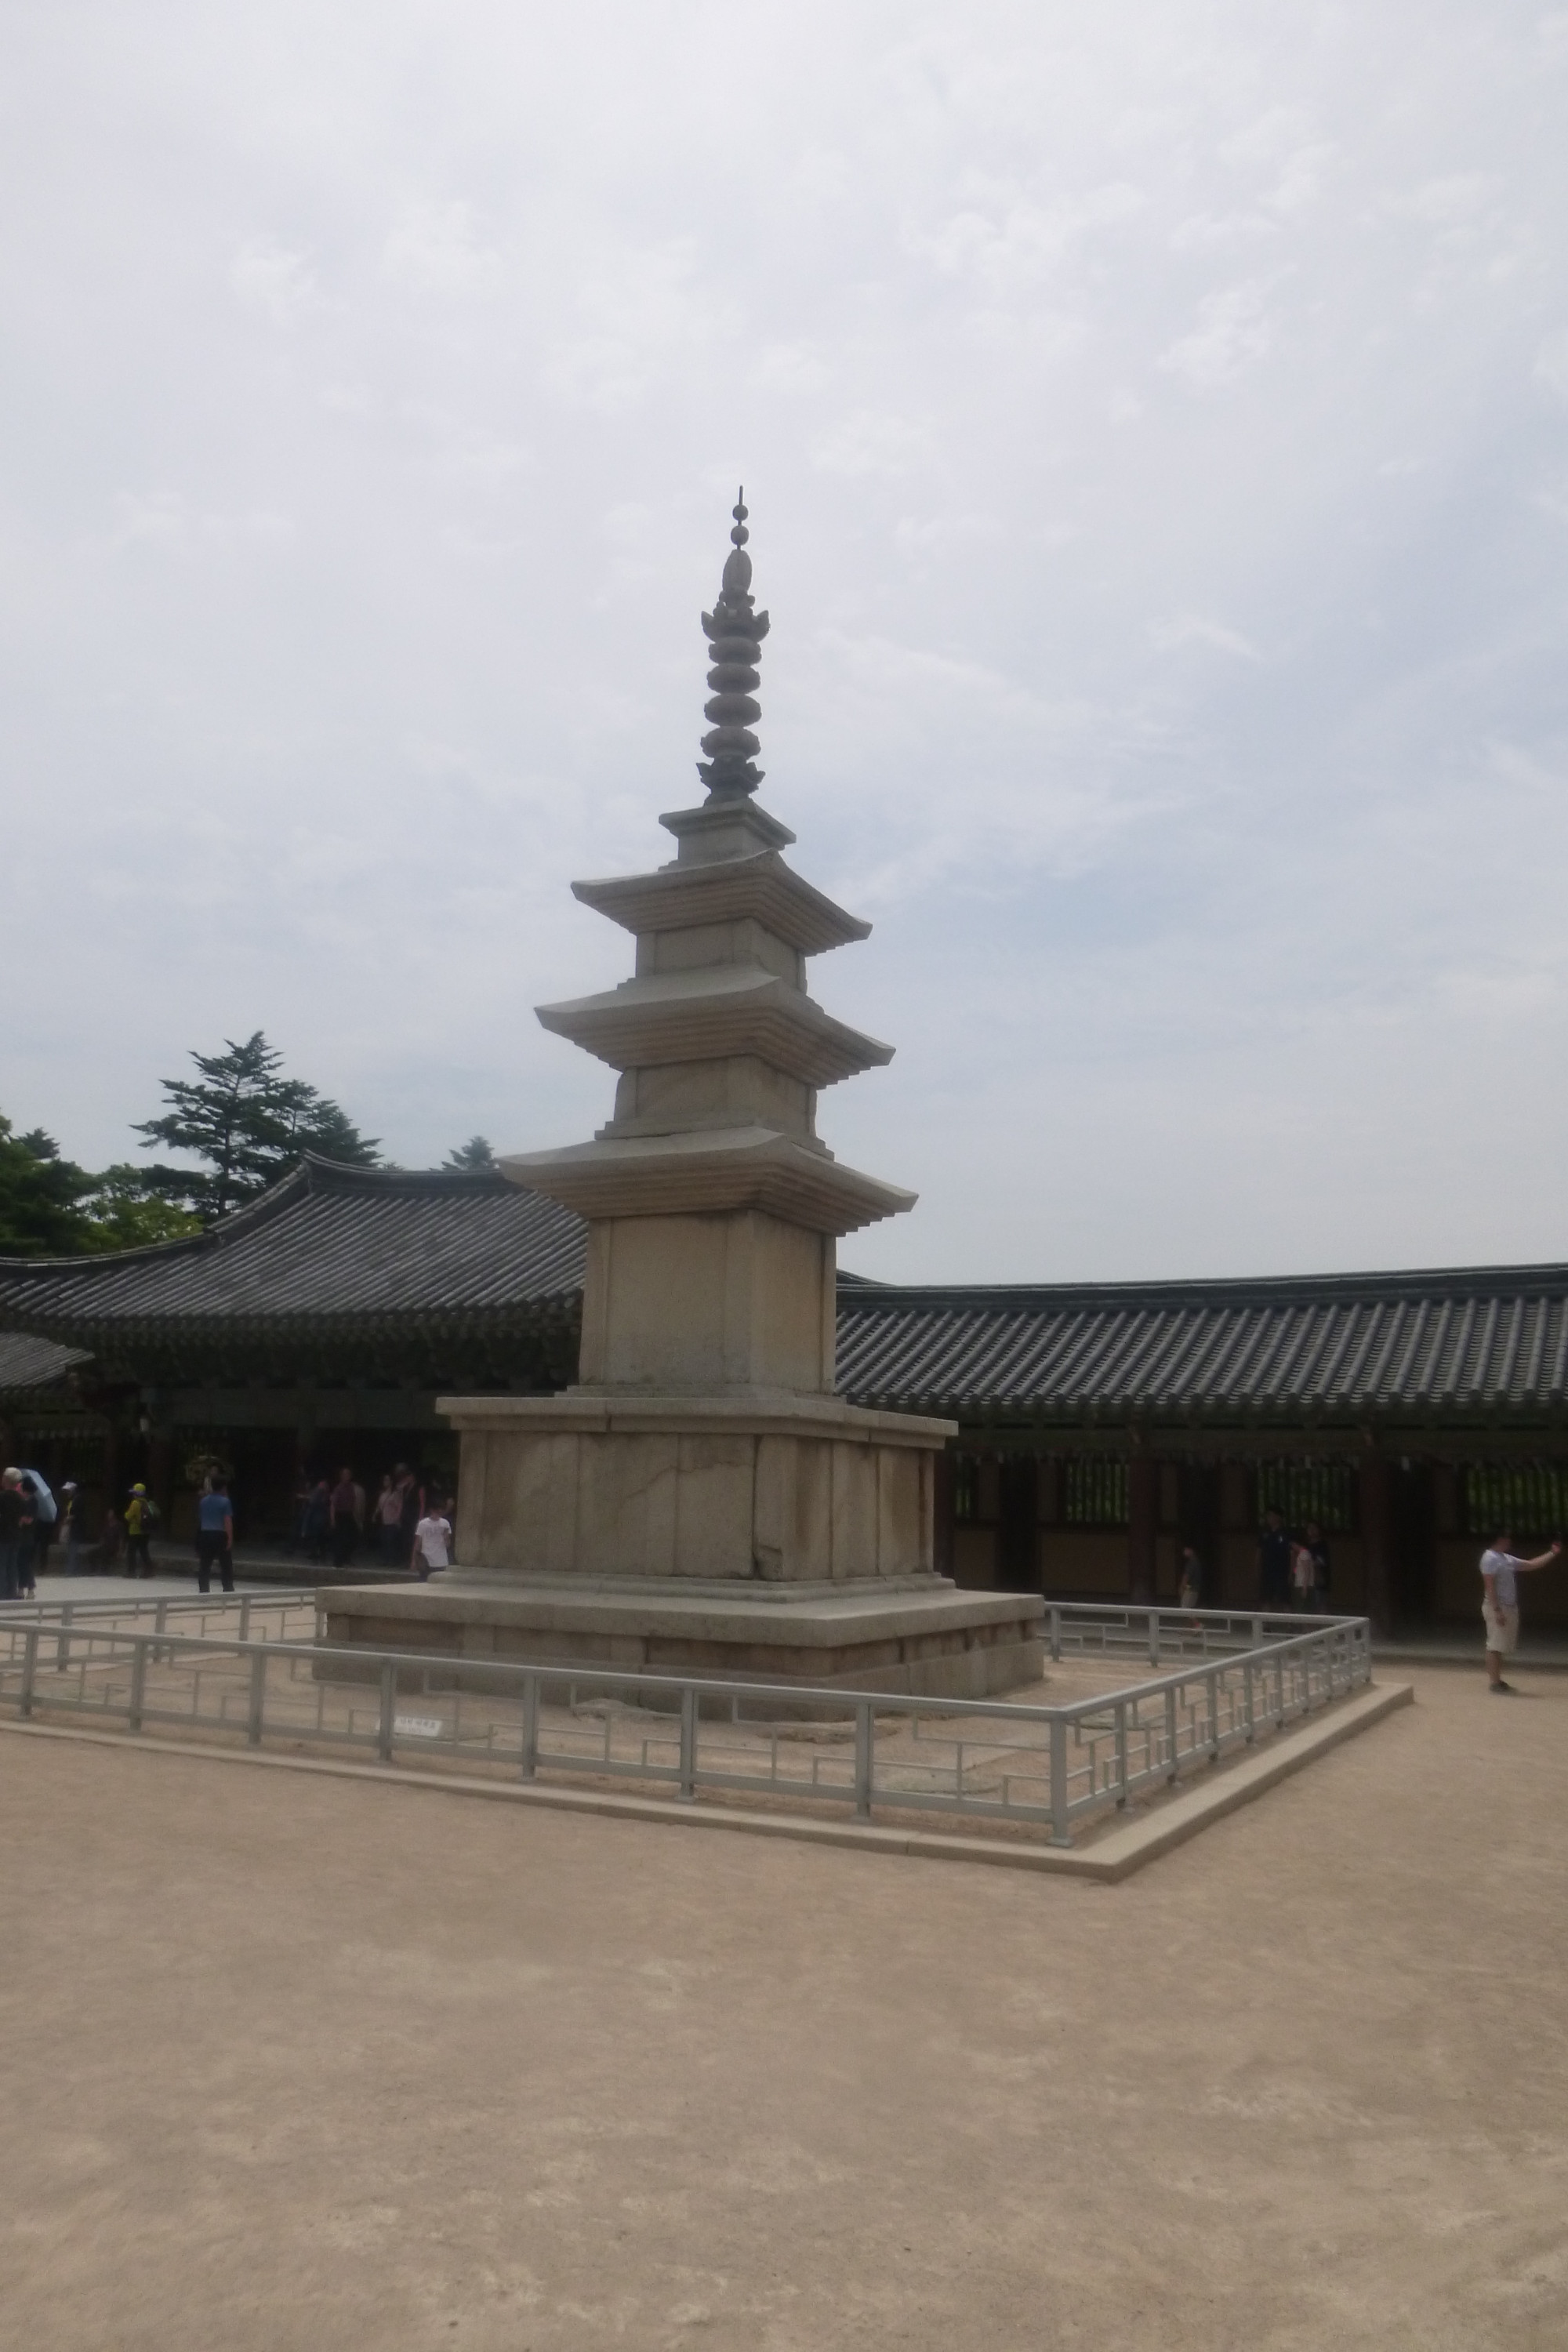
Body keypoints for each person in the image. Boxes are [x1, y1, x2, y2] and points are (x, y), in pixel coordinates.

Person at [1479, 1528, 1561, 1692]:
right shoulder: (1489, 1558)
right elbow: (1489, 1586)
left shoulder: (1505, 1558)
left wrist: (1552, 1553)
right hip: (1498, 1606)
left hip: (1508, 1606)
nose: (1510, 1541)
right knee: (1495, 1644)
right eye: (1507, 1538)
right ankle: (1494, 1682)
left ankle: (1497, 1680)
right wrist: (1496, 1610)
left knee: (1500, 1645)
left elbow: (1530, 1565)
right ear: (1500, 1539)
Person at [195, 1475, 235, 1594]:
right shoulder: (225, 1502)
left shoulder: (203, 1501)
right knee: (226, 1564)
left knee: (205, 1564)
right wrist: (230, 1538)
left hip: (205, 1533)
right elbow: (227, 1521)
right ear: (223, 1487)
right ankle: (228, 1589)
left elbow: (201, 1519)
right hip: (220, 1534)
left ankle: (203, 1589)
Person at [20, 1470, 57, 1579]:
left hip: (38, 1528)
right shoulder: (38, 1499)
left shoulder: (34, 1501)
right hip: (38, 1527)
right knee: (38, 1548)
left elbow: (30, 1519)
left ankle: (38, 1568)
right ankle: (38, 1567)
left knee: (40, 1548)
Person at [1257, 1507, 1291, 1610]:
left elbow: (1292, 1553)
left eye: (1272, 1515)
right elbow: (1259, 1552)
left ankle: (1290, 1624)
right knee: (1266, 1598)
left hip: (1282, 1571)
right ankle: (1265, 1625)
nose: (1269, 1518)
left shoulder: (1286, 1533)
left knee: (1285, 1599)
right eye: (1268, 1516)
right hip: (1267, 1571)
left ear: (1278, 1517)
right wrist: (1257, 1568)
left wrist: (1291, 1572)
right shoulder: (1264, 1533)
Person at [411, 1498, 452, 1580]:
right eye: (436, 1511)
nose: (438, 1514)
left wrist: (445, 1536)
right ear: (432, 1510)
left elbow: (448, 1544)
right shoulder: (423, 1523)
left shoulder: (445, 1523)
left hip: (441, 1559)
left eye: (440, 1512)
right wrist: (415, 1559)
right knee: (424, 1580)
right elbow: (419, 1542)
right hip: (426, 1557)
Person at [0, 1469, 25, 1601]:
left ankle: (2, 1592)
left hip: (2, 1535)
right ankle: (11, 1592)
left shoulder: (2, 1497)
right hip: (16, 1535)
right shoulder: (20, 1499)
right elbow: (21, 1518)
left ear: (7, 1480)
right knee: (12, 1565)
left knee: (2, 1564)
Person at [372, 1472, 405, 1568]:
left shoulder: (395, 1494)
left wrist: (397, 1518)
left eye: (387, 1480)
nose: (385, 1482)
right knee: (384, 1540)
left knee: (391, 1541)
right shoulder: (382, 1494)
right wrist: (375, 1515)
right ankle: (385, 1559)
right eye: (384, 1480)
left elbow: (399, 1506)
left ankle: (393, 1560)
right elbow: (379, 1506)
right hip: (384, 1520)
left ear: (391, 1482)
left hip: (392, 1520)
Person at [329, 1465, 360, 1568]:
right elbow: (333, 1505)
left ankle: (346, 1557)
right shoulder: (338, 1488)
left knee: (355, 1536)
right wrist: (333, 1519)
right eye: (345, 1475)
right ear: (341, 1476)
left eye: (348, 1475)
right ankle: (338, 1562)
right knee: (340, 1539)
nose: (347, 1476)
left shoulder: (351, 1487)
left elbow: (354, 1502)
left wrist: (356, 1517)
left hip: (349, 1514)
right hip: (340, 1514)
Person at [123, 1483, 156, 1577]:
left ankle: (131, 1572)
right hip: (146, 1531)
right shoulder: (147, 1503)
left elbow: (128, 1516)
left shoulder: (135, 1503)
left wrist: (126, 1514)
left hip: (135, 1531)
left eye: (134, 1493)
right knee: (144, 1551)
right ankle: (149, 1570)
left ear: (137, 1494)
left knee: (131, 1552)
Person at [60, 1480, 92, 1573]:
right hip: (72, 1527)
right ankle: (73, 1569)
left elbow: (78, 1514)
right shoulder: (72, 1500)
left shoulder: (78, 1499)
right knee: (72, 1548)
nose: (67, 1493)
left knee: (73, 1548)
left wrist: (69, 1518)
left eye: (68, 1491)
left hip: (76, 1527)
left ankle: (71, 1570)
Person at [1302, 1519, 1330, 1612]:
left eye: (1314, 1528)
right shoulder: (1306, 1545)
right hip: (1307, 1580)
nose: (1312, 1530)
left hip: (1319, 1579)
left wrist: (1309, 1564)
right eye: (1309, 1528)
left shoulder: (1322, 1545)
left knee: (1320, 1604)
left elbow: (1320, 1561)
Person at [303, 1478, 332, 1566]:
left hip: (319, 1523)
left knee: (319, 1541)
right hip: (318, 1523)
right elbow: (309, 1514)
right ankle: (318, 1557)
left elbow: (309, 1514)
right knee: (318, 1541)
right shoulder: (320, 1499)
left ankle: (318, 1557)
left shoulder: (322, 1499)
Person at [1178, 1545, 1202, 1613]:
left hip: (1190, 1589)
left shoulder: (1192, 1563)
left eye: (1186, 1550)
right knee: (1189, 1609)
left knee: (1185, 1609)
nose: (1184, 1552)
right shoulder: (1196, 1562)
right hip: (1194, 1589)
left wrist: (1183, 1587)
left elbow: (1186, 1576)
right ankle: (1192, 1623)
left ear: (1191, 1551)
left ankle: (1197, 1623)